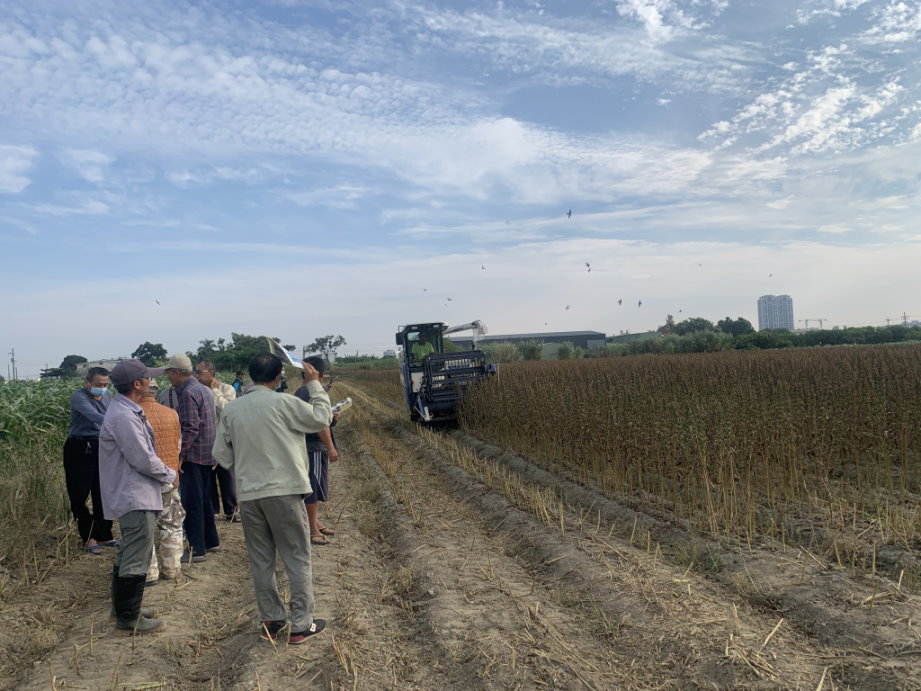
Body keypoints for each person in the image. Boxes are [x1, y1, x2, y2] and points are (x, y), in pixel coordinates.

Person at [212, 353, 331, 644]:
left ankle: (271, 621)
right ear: (279, 377)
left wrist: (246, 467)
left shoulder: (232, 410)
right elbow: (321, 417)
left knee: (261, 560)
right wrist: (314, 385)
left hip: (251, 495)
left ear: (251, 376)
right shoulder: (286, 403)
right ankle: (302, 625)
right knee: (297, 557)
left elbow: (221, 455)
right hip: (285, 492)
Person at [98, 359, 177, 635]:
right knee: (136, 554)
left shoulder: (126, 410)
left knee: (131, 550)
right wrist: (169, 474)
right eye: (147, 378)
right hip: (135, 494)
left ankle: (123, 609)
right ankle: (129, 618)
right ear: (137, 384)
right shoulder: (123, 416)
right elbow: (142, 459)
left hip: (135, 492)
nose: (151, 382)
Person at [164, 354, 220, 562]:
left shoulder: (187, 394)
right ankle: (211, 541)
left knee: (193, 503)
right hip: (207, 454)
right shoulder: (204, 389)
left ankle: (196, 549)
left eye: (170, 372)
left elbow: (190, 428)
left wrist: (180, 456)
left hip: (194, 456)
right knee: (205, 500)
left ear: (177, 373)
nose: (169, 377)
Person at [63, 366, 118, 553]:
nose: (102, 387)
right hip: (79, 447)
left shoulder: (108, 396)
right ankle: (88, 536)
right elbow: (95, 417)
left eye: (105, 384)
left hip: (101, 445)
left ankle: (104, 534)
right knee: (79, 493)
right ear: (87, 383)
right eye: (98, 384)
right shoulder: (79, 397)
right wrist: (123, 423)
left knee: (103, 492)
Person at [139, 379, 185, 583]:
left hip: (142, 481)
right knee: (172, 524)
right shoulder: (171, 414)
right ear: (156, 392)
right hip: (168, 478)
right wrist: (175, 472)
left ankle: (150, 573)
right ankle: (172, 569)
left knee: (145, 528)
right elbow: (177, 447)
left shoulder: (132, 415)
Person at [294, 357, 340, 546]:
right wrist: (330, 447)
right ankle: (312, 529)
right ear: (320, 374)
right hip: (313, 446)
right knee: (312, 488)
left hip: (310, 445)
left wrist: (333, 419)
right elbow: (320, 423)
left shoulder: (302, 391)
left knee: (315, 486)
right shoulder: (310, 392)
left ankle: (315, 522)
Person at [193, 360, 240, 522]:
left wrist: (215, 392)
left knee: (227, 475)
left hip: (224, 440)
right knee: (209, 477)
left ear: (211, 372)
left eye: (200, 372)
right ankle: (213, 510)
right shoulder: (197, 391)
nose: (197, 376)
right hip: (206, 440)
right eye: (196, 372)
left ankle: (231, 510)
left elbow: (228, 410)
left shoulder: (227, 389)